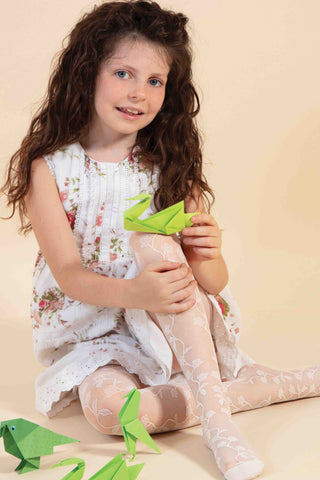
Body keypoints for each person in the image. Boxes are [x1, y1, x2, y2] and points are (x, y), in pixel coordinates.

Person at [1, 1, 319, 479]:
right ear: (87, 73)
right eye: (124, 73)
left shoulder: (168, 164)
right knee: (113, 414)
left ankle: (218, 424)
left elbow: (212, 281)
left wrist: (208, 252)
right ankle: (273, 385)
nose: (138, 94)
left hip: (173, 326)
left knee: (155, 246)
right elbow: (67, 274)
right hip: (95, 333)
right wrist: (133, 293)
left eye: (154, 81)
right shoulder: (51, 169)